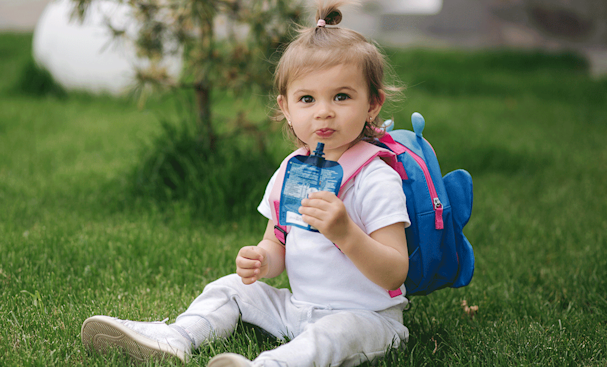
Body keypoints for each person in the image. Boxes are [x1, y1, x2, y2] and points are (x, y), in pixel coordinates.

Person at [81, 1, 410, 366]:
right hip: (298, 309)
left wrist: (346, 233)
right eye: (307, 98)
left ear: (373, 104)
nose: (324, 111)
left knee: (336, 334)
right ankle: (178, 336)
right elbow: (277, 240)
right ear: (285, 108)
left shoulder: (376, 177)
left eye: (342, 96)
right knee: (231, 288)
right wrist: (262, 260)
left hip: (367, 317)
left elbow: (396, 271)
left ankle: (271, 364)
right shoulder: (291, 171)